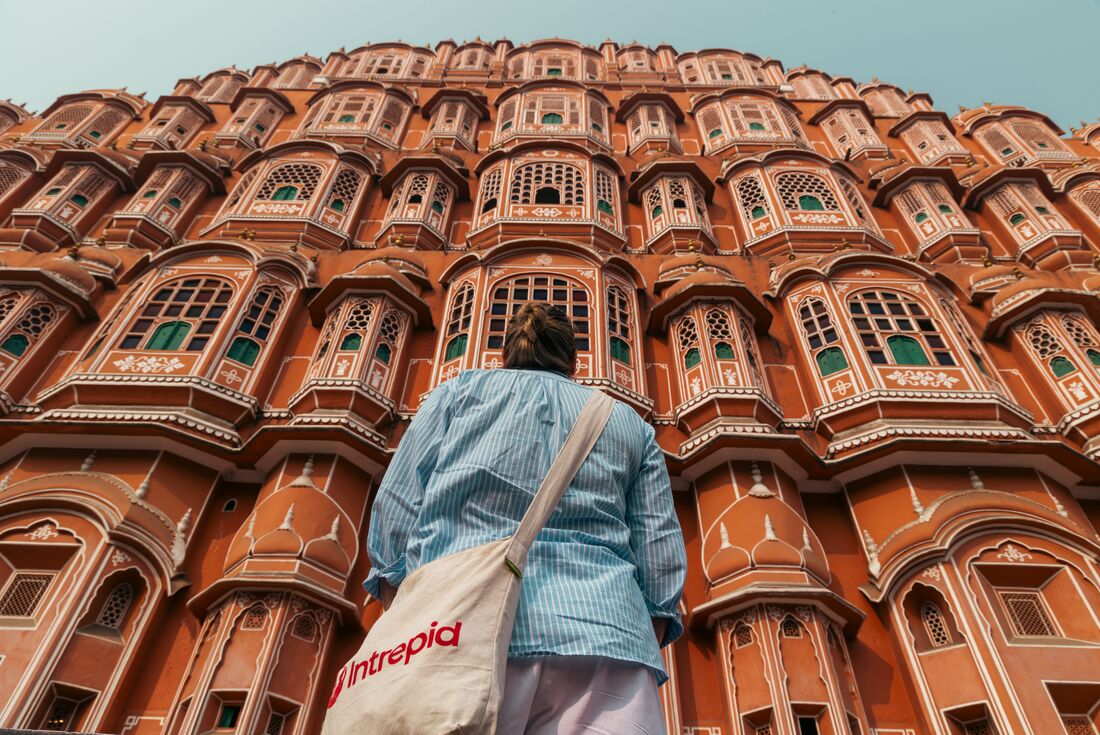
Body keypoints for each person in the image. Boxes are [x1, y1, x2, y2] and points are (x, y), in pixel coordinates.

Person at [364, 302, 687, 734]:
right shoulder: (626, 422)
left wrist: (410, 611)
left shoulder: (454, 396)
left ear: (506, 354)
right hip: (606, 639)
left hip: (453, 627)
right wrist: (635, 634)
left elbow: (395, 512)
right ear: (573, 361)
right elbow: (660, 551)